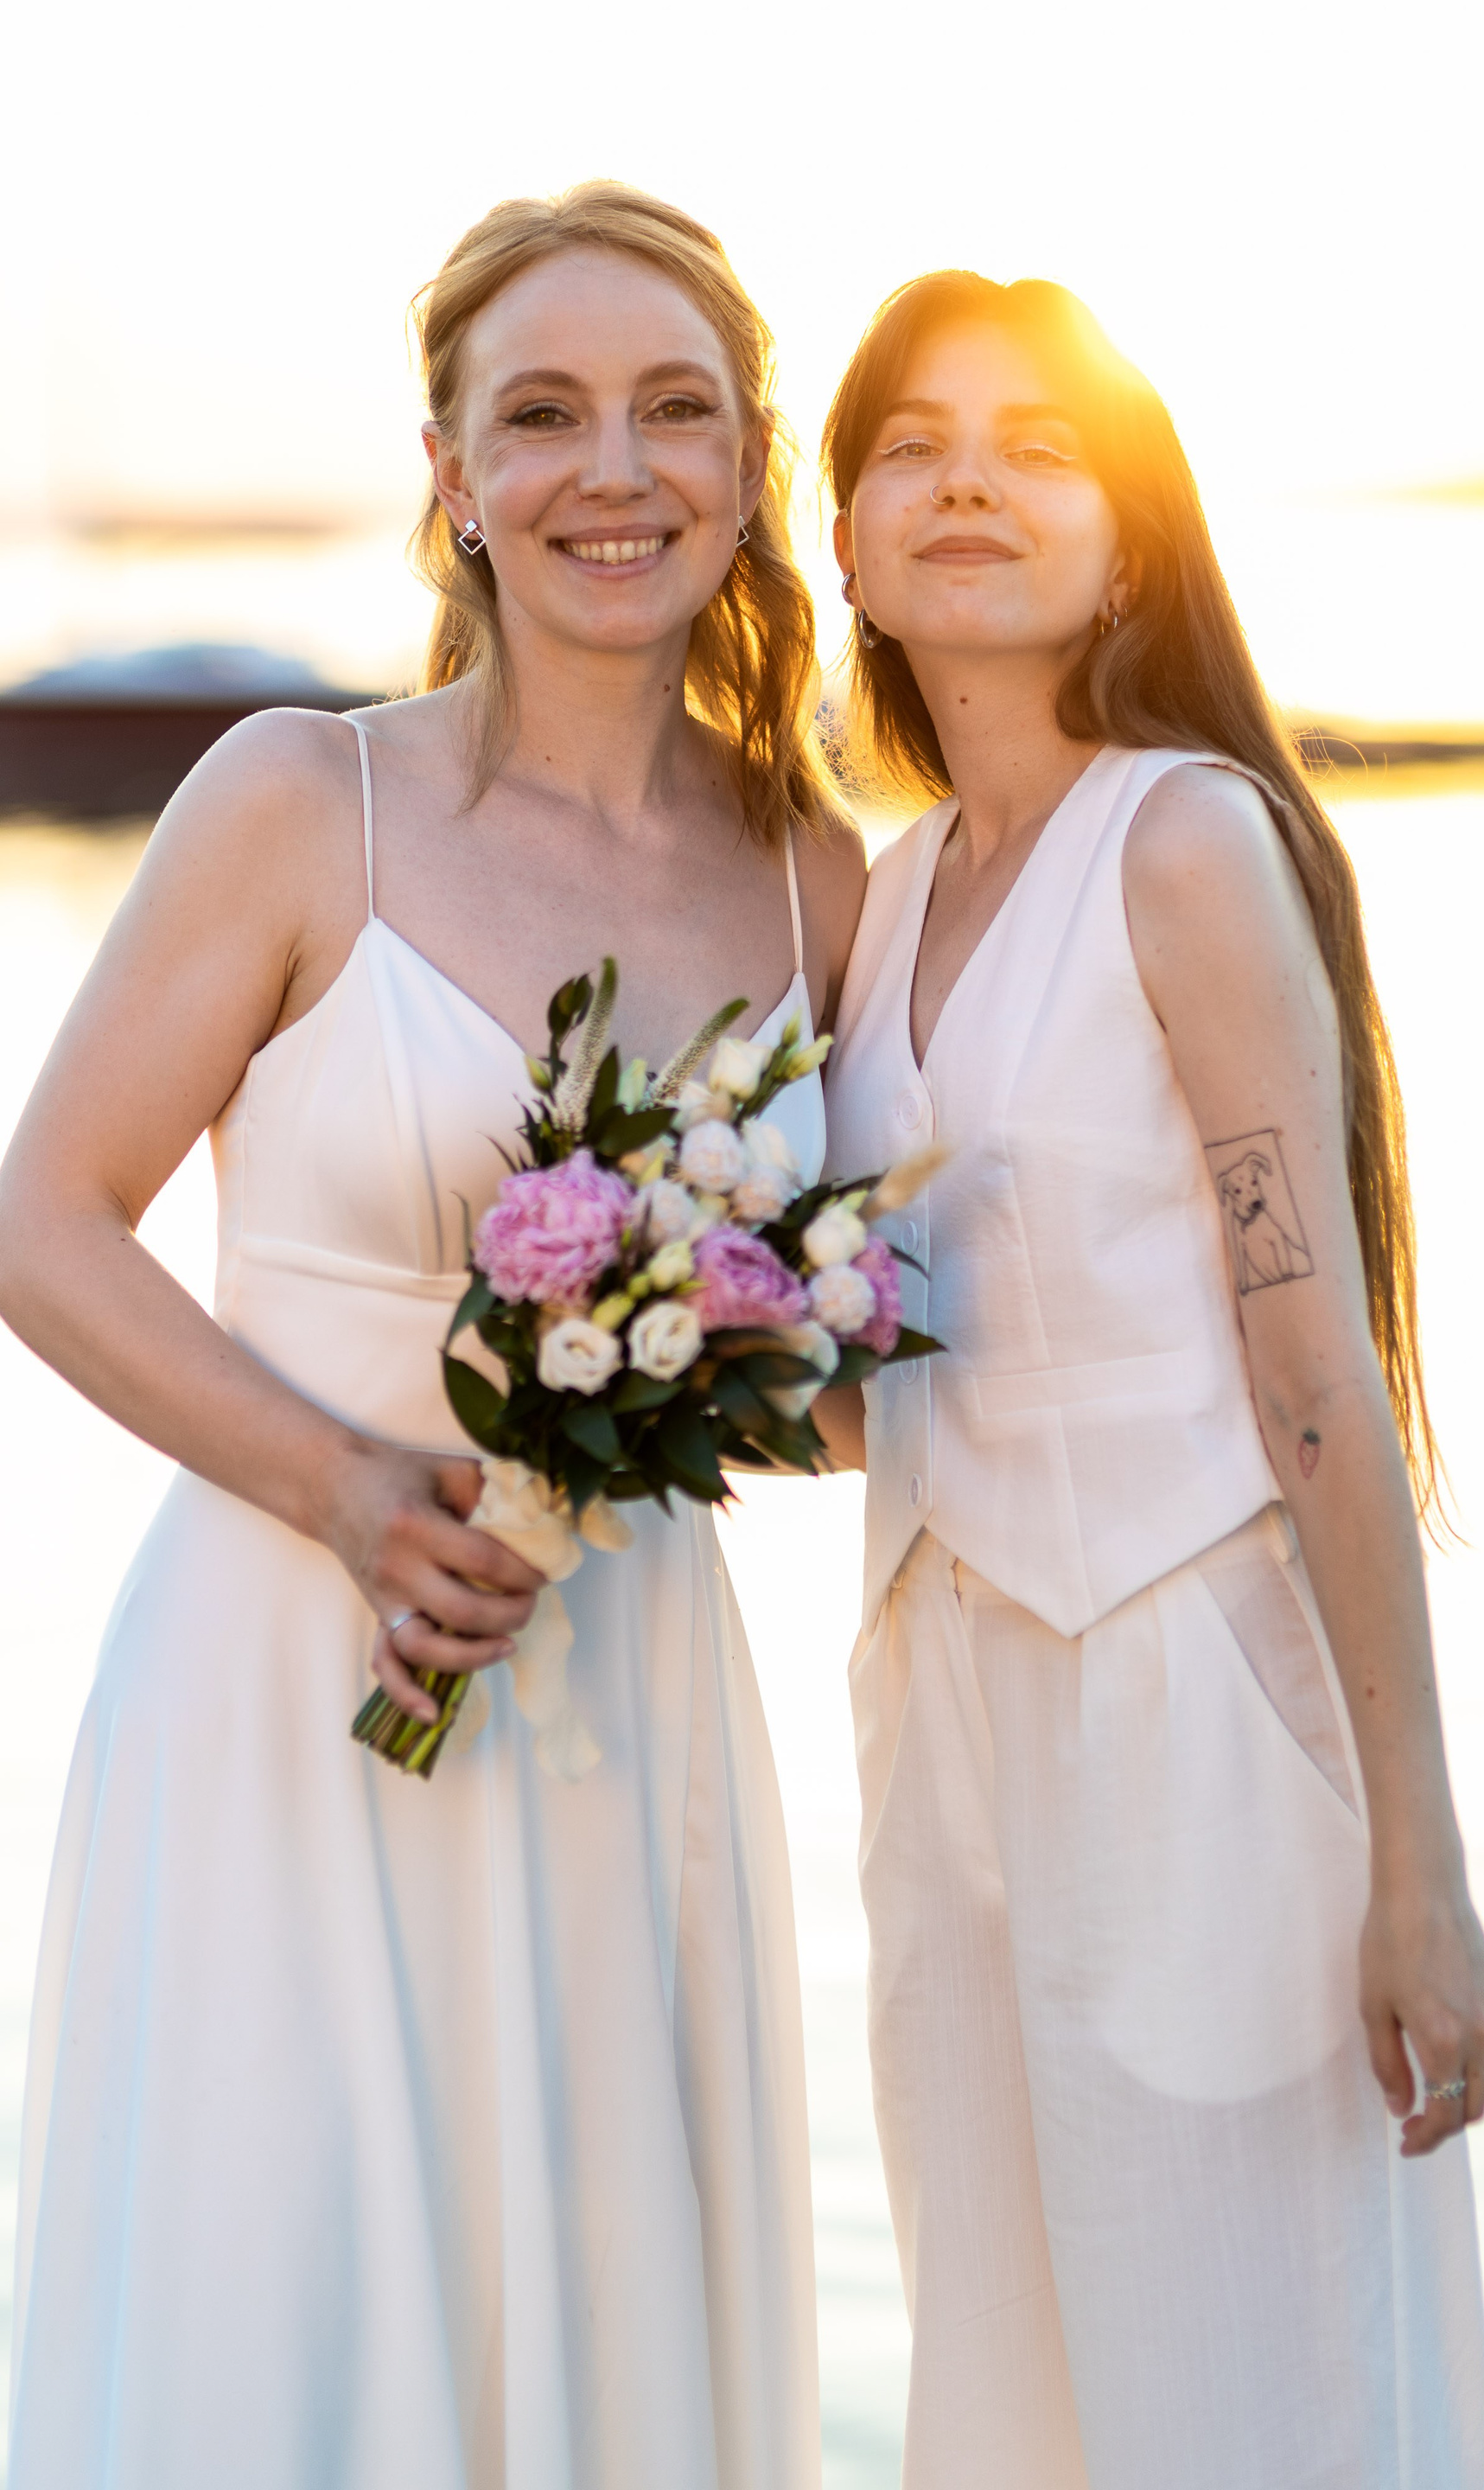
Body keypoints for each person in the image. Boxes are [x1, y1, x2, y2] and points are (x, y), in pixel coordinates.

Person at [0, 182, 864, 2490]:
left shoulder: (816, 873)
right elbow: (45, 1225)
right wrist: (350, 1492)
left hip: (629, 1704)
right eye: (544, 414)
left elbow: (847, 1360)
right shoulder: (303, 802)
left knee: (599, 2344)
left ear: (748, 461)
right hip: (290, 1678)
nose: (616, 469)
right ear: (453, 473)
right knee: (284, 2328)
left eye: (676, 410)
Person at [815, 271, 1484, 2489]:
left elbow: (1314, 1371)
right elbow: (883, 1378)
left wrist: (1421, 1866)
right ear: (847, 543)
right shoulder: (886, 900)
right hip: (941, 1718)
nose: (971, 486)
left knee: (1246, 2391)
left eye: (1039, 448)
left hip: (1184, 1690)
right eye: (916, 449)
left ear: (1130, 542)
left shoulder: (1187, 839)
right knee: (1011, 2393)